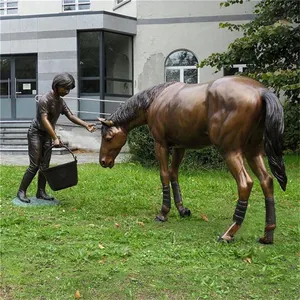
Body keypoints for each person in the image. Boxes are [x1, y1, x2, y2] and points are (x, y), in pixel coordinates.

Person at [16, 72, 96, 203]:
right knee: (35, 165)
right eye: (65, 88)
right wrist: (55, 137)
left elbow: (70, 115)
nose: (67, 91)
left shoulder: (61, 102)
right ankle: (21, 191)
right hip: (36, 133)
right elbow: (44, 120)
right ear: (56, 85)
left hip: (48, 134)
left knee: (45, 165)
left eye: (69, 89)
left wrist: (85, 124)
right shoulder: (45, 99)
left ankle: (40, 192)